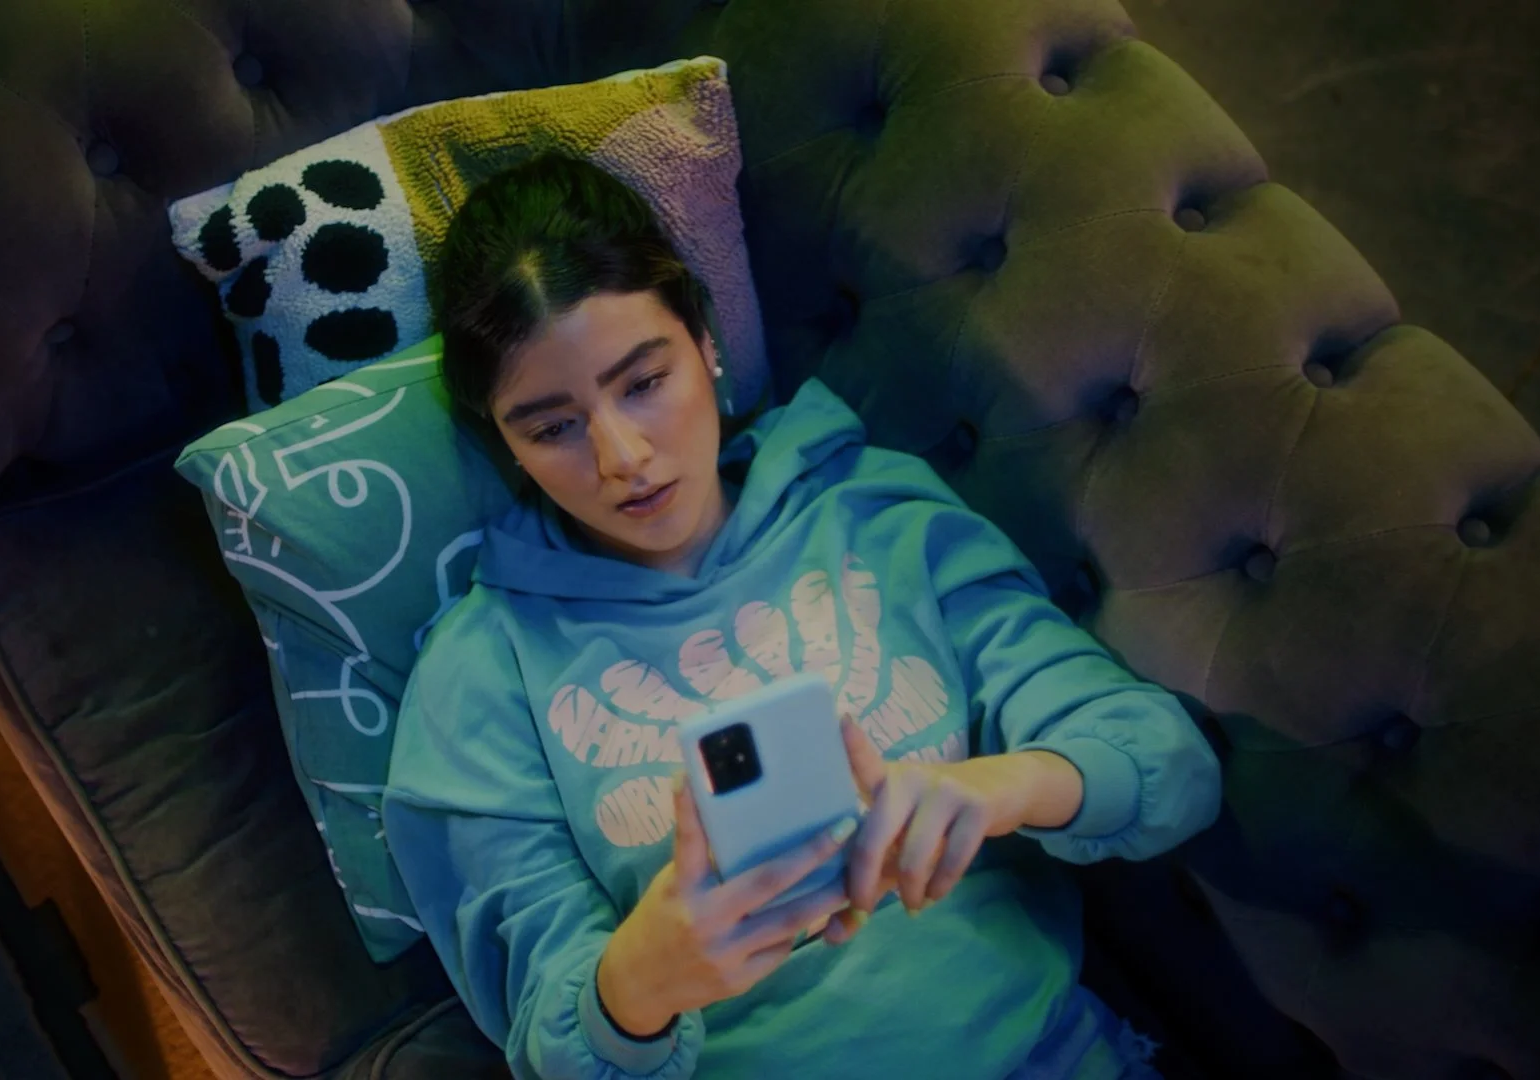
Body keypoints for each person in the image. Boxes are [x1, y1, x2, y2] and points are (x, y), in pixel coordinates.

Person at [380, 153, 1222, 1079]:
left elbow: (1167, 766)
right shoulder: (480, 679)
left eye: (644, 382)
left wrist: (1006, 787)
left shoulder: (871, 512)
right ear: (503, 444)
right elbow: (553, 1041)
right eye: (552, 428)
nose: (622, 457)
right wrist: (635, 988)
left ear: (705, 341)